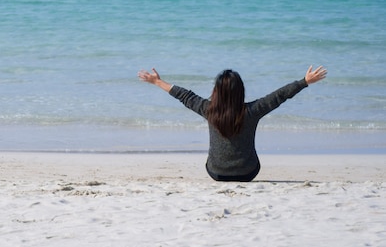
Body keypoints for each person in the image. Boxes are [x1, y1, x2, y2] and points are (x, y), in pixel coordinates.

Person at [138, 66, 327, 182]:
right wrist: (305, 82)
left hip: (216, 173)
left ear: (216, 91)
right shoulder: (252, 111)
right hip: (248, 173)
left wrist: (157, 82)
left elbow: (185, 96)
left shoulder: (208, 109)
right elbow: (279, 96)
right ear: (241, 91)